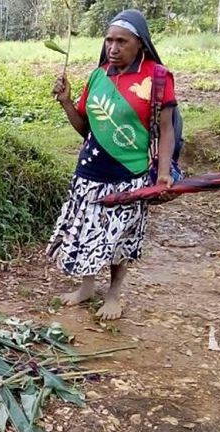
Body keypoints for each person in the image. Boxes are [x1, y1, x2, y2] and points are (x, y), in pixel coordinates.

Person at [48, 9, 178, 319]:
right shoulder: (98, 76)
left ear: (140, 44)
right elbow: (86, 130)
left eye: (122, 41)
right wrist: (67, 102)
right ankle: (87, 287)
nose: (113, 48)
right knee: (87, 233)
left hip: (129, 174)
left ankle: (115, 294)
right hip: (90, 172)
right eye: (109, 41)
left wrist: (162, 174)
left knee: (120, 237)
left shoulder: (157, 77)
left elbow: (168, 128)